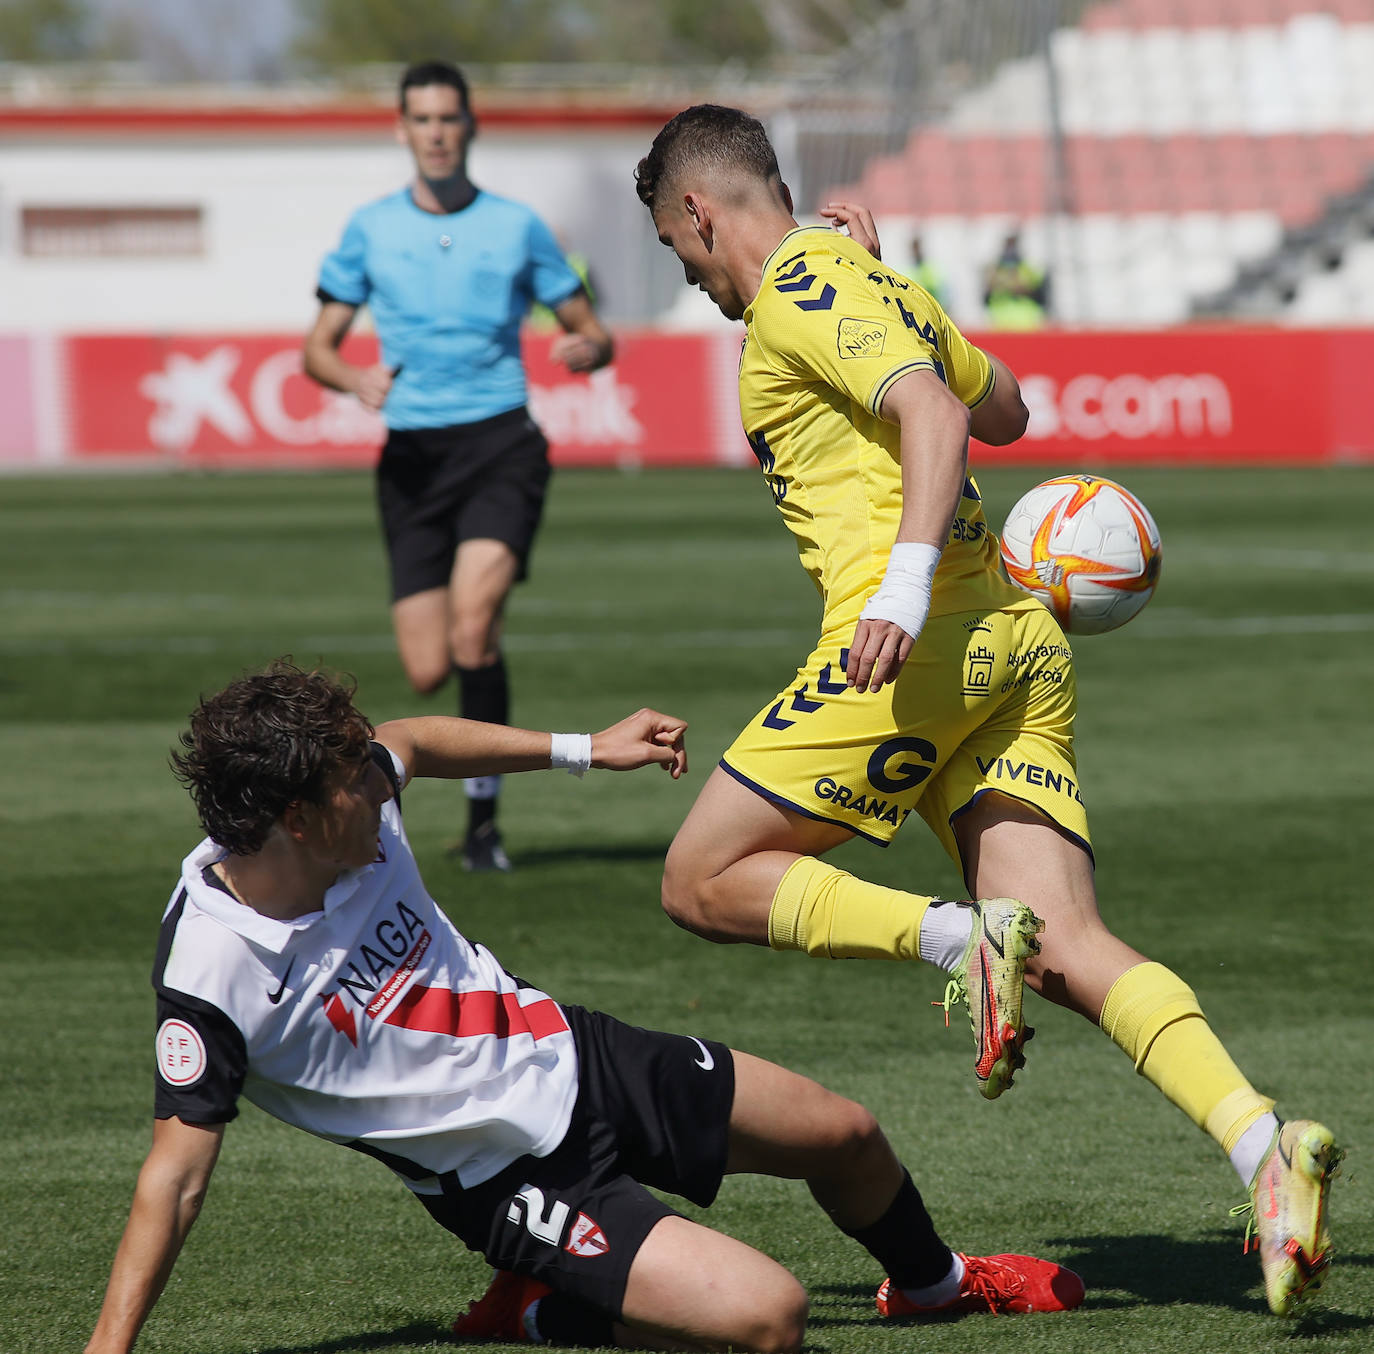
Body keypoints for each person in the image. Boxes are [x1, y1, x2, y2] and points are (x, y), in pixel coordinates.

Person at [634, 104, 1340, 1318]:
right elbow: (1005, 404)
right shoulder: (854, 276)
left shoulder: (805, 284)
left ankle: (960, 941)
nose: (692, 279)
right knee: (1069, 941)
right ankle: (1263, 1147)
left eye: (677, 249)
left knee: (700, 879)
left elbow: (943, 417)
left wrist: (901, 587)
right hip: (1018, 643)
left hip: (920, 645)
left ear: (701, 210)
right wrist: (895, 288)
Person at [82, 661, 1085, 1354]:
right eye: (355, 778)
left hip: (575, 1050)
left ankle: (937, 1289)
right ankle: (535, 1306)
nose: (377, 781)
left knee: (847, 1134)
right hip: (505, 1173)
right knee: (770, 1317)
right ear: (294, 820)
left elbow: (414, 740)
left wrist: (587, 748)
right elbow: (172, 1180)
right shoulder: (212, 972)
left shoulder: (346, 798)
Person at [303, 60, 614, 873]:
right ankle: (472, 793)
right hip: (410, 459)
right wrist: (352, 377)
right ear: (402, 130)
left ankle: (484, 824)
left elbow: (590, 325)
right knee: (427, 668)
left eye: (449, 118)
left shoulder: (517, 226)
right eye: (422, 119)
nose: (437, 132)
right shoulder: (371, 227)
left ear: (470, 127)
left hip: (500, 445)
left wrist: (587, 346)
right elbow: (318, 348)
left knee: (475, 629)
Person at [982, 228, 1049, 329]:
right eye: (1008, 244)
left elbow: (1041, 296)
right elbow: (986, 298)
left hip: (1028, 324)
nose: (1010, 249)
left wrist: (1021, 287)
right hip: (999, 324)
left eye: (1013, 244)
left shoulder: (1029, 269)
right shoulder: (994, 270)